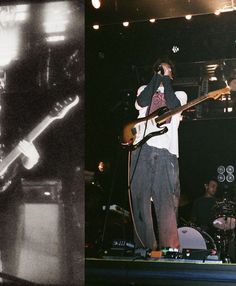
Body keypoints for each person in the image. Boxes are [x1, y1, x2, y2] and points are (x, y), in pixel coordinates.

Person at [130, 58, 187, 250]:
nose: (164, 71)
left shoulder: (180, 94)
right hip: (142, 149)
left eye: (168, 69)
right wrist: (157, 78)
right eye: (160, 69)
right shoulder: (143, 89)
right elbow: (141, 102)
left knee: (166, 204)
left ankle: (169, 249)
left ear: (173, 74)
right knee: (140, 201)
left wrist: (166, 81)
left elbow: (173, 106)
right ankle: (144, 248)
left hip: (166, 153)